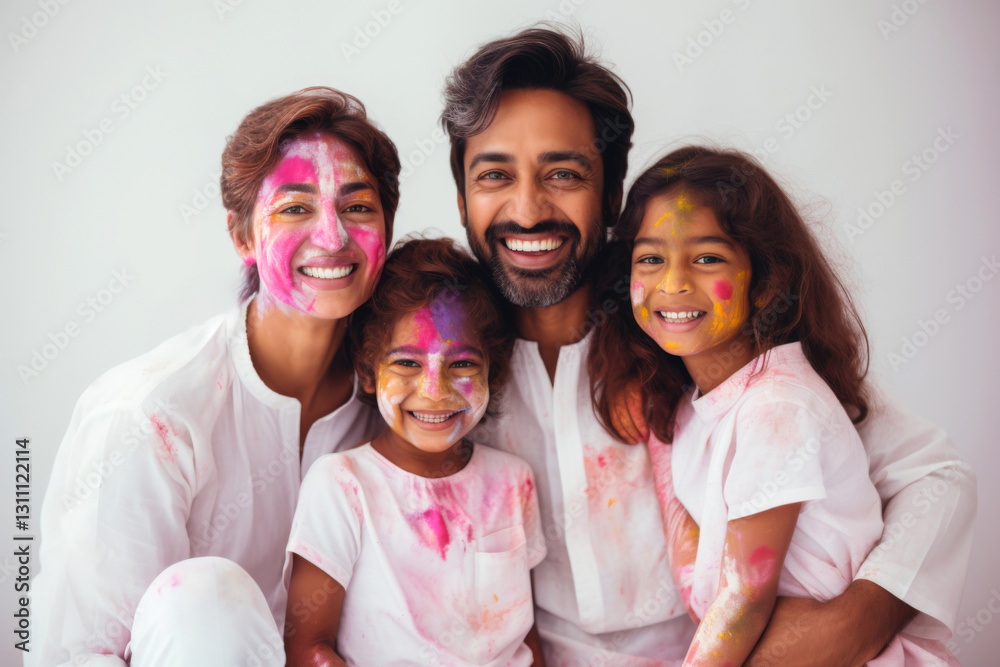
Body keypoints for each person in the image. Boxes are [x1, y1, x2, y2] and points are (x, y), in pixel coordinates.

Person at [441, 25, 977, 665]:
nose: (527, 211)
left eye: (563, 173)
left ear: (612, 195)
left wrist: (855, 622)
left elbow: (935, 476)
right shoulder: (437, 361)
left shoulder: (694, 334)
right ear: (462, 197)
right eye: (495, 175)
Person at [29, 86, 400, 666]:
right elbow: (77, 652)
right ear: (242, 236)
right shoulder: (148, 417)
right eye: (295, 207)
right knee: (202, 599)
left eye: (357, 207)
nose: (332, 237)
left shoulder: (402, 399)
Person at [591, 146, 959, 665]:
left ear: (764, 283)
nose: (672, 282)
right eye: (650, 258)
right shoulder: (697, 406)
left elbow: (744, 597)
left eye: (707, 258)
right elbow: (703, 580)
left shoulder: (777, 406)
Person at [283, 237, 547, 666]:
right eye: (407, 363)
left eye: (462, 364)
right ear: (368, 371)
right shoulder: (341, 485)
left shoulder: (513, 481)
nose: (434, 391)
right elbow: (307, 647)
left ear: (493, 373)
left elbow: (524, 634)